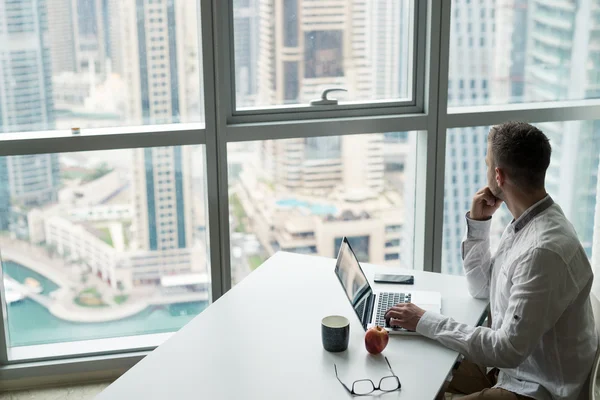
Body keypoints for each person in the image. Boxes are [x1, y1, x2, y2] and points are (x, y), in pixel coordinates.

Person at [385, 122, 598, 400]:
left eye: (487, 163)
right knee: (413, 368)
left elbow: (507, 350)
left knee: (423, 380)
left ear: (498, 175)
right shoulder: (528, 222)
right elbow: (482, 288)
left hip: (537, 389)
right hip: (511, 370)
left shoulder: (541, 250)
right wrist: (479, 223)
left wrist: (426, 320)